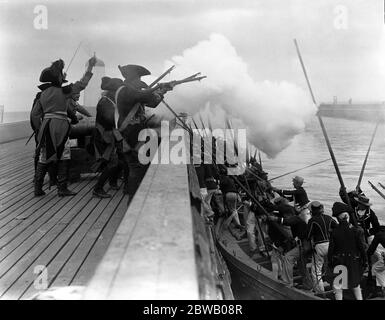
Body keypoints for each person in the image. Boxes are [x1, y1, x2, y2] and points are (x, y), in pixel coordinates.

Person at [34, 57, 96, 197]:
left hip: (46, 127)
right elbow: (82, 84)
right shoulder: (64, 91)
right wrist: (90, 67)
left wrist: (40, 129)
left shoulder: (41, 94)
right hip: (61, 126)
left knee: (44, 156)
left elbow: (34, 115)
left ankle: (37, 188)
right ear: (58, 78)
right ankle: (62, 188)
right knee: (63, 155)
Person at [114, 64, 171, 200]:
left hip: (134, 135)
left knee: (138, 168)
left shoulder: (132, 92)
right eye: (138, 80)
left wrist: (163, 90)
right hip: (131, 136)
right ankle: (134, 201)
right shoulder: (124, 91)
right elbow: (142, 95)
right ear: (133, 78)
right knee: (137, 169)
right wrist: (158, 87)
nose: (140, 84)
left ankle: (135, 197)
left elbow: (152, 102)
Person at [92, 77, 126, 198]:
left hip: (111, 134)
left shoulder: (111, 100)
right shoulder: (105, 102)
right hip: (104, 136)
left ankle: (112, 181)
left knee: (120, 160)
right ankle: (98, 188)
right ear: (114, 90)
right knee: (112, 162)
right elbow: (110, 119)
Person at [328, 202, 367, 300]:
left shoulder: (334, 232)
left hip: (339, 261)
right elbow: (361, 247)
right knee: (355, 284)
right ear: (347, 217)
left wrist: (330, 262)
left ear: (338, 218)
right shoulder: (355, 230)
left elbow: (331, 250)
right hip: (353, 261)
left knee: (338, 287)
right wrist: (365, 260)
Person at [267, 202, 312, 288]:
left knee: (288, 258)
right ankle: (308, 284)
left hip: (304, 246)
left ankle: (288, 282)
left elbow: (287, 221)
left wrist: (276, 219)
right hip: (306, 245)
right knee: (301, 264)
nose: (284, 217)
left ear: (288, 214)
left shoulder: (296, 219)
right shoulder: (298, 219)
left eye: (285, 216)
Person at [306, 201, 338, 293]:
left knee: (316, 270)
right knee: (332, 268)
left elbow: (308, 236)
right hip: (330, 245)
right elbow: (337, 228)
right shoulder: (329, 218)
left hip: (319, 246)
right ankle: (336, 290)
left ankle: (320, 292)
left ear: (312, 210)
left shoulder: (312, 221)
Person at [367, 225, 385, 297]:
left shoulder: (378, 235)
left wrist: (366, 255)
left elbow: (371, 249)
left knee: (374, 269)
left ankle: (379, 289)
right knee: (381, 270)